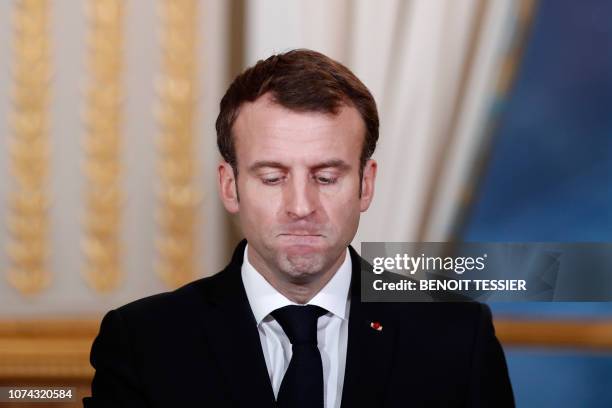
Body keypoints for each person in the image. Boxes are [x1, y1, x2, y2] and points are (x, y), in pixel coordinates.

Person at [84, 49, 514, 407]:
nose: (301, 206)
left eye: (326, 177)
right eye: (272, 177)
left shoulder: (457, 335)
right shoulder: (144, 341)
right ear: (230, 186)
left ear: (366, 185)